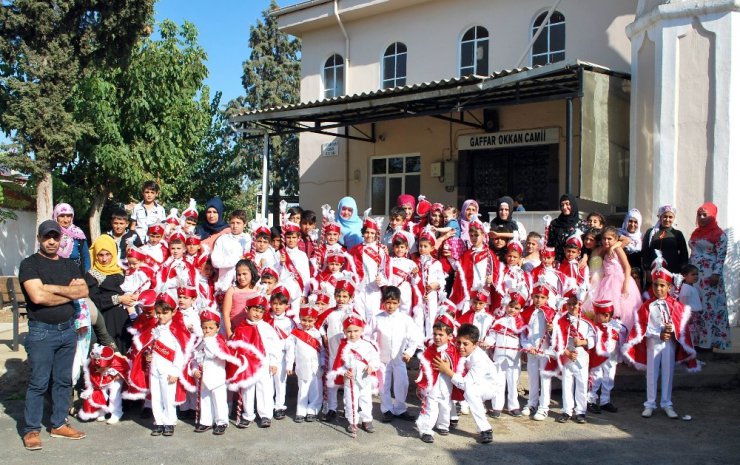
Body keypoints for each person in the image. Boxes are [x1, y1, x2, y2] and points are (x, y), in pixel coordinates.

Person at [19, 220, 90, 450]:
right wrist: (69, 293)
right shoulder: (29, 264)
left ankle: (59, 423)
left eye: (56, 237)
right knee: (39, 382)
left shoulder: (70, 265)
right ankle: (31, 430)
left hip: (67, 329)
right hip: (42, 332)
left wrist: (50, 287)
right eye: (47, 237)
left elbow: (84, 291)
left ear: (61, 239)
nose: (52, 241)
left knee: (63, 381)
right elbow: (38, 298)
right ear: (39, 239)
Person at [622, 266, 699, 419]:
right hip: (653, 343)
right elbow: (642, 327)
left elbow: (683, 327)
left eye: (662, 285)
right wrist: (659, 333)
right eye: (655, 285)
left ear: (669, 287)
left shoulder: (675, 305)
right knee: (652, 373)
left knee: (668, 373)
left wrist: (673, 329)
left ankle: (666, 403)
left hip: (669, 344)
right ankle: (650, 403)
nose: (658, 288)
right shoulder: (647, 305)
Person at [127, 294, 195, 436]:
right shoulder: (153, 328)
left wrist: (176, 371)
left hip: (168, 370)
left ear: (173, 312)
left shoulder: (175, 330)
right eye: (158, 313)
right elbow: (147, 346)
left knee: (168, 397)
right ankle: (158, 422)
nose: (161, 316)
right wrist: (147, 355)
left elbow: (180, 353)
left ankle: (169, 422)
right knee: (156, 397)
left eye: (165, 313)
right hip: (154, 368)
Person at [435, 323, 495, 444]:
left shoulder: (479, 360)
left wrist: (447, 370)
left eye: (465, 344)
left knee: (470, 391)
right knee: (448, 380)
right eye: (459, 342)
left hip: (488, 387)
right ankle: (451, 417)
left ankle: (485, 429)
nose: (460, 347)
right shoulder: (460, 350)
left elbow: (465, 385)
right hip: (470, 381)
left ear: (475, 345)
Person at [228, 294, 280, 429]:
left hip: (264, 363)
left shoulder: (267, 328)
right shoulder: (240, 328)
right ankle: (248, 414)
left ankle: (265, 415)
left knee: (265, 389)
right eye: (255, 310)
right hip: (248, 365)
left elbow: (275, 346)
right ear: (247, 309)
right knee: (247, 389)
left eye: (261, 311)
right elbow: (235, 346)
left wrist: (273, 362)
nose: (258, 314)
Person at [371, 286, 422, 423]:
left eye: (394, 303)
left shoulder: (405, 319)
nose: (391, 306)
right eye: (388, 302)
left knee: (402, 383)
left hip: (399, 358)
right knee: (384, 384)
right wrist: (372, 354)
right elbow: (367, 336)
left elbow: (415, 338)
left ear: (399, 302)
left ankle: (400, 408)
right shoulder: (377, 318)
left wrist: (409, 352)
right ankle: (387, 409)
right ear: (383, 302)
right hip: (382, 358)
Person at [188, 310, 240, 436]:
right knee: (204, 399)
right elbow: (194, 358)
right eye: (204, 327)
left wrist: (208, 342)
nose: (207, 330)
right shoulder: (200, 342)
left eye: (211, 328)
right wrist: (194, 369)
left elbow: (218, 354)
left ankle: (221, 421)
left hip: (217, 378)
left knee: (219, 400)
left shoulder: (218, 342)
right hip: (203, 378)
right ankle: (206, 421)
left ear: (217, 328)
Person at [327, 315, 381, 436]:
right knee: (350, 400)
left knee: (366, 399)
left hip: (364, 379)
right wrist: (343, 372)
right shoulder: (343, 347)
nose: (352, 334)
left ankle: (367, 420)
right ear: (344, 331)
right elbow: (338, 364)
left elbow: (375, 358)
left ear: (361, 330)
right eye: (349, 331)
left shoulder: (367, 345)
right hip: (350, 380)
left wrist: (371, 366)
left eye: (356, 331)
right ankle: (352, 421)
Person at [688, 202, 730, 350]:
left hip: (710, 277)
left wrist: (716, 274)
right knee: (695, 308)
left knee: (708, 308)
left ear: (712, 216)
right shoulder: (696, 232)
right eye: (699, 214)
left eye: (705, 214)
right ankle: (696, 342)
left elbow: (721, 257)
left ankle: (708, 343)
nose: (701, 217)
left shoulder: (719, 235)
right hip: (695, 278)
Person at [86, 235, 137, 353]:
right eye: (100, 255)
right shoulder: (92, 274)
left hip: (126, 318)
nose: (104, 259)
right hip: (107, 320)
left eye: (108, 254)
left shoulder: (121, 270)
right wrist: (118, 299)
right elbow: (95, 299)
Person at [551, 290, 596, 424]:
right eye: (569, 304)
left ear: (580, 304)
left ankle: (581, 411)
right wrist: (567, 353)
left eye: (574, 304)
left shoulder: (586, 322)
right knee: (567, 383)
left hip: (581, 356)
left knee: (582, 383)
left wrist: (583, 342)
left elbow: (593, 339)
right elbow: (556, 340)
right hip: (568, 356)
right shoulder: (561, 321)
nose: (572, 307)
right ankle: (567, 410)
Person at [585, 226, 642, 331]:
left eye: (609, 239)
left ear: (616, 240)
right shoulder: (603, 251)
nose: (606, 241)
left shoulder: (618, 249)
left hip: (620, 281)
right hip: (606, 282)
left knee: (622, 310)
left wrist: (625, 286)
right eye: (604, 238)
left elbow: (627, 268)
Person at [415, 315, 460, 444]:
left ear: (450, 336)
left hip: (446, 384)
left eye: (441, 334)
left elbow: (456, 365)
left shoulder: (453, 350)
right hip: (433, 384)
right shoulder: (430, 350)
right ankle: (426, 430)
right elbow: (424, 366)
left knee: (446, 404)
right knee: (431, 406)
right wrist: (423, 382)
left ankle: (443, 425)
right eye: (435, 334)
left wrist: (448, 366)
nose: (437, 337)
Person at [484, 291, 527, 418]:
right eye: (510, 306)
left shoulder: (522, 324)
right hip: (499, 358)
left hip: (513, 359)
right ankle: (497, 406)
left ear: (520, 309)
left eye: (516, 308)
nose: (512, 310)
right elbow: (492, 337)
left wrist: (528, 347)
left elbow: (524, 340)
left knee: (513, 382)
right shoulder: (499, 321)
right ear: (506, 306)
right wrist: (486, 343)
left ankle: (513, 406)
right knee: (498, 382)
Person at [285, 304, 325, 423]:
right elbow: (290, 350)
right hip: (302, 366)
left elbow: (322, 350)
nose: (306, 323)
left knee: (316, 389)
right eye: (304, 320)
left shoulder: (317, 333)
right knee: (302, 389)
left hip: (316, 366)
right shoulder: (295, 333)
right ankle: (301, 411)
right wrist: (289, 364)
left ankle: (313, 410)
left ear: (315, 320)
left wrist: (323, 363)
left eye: (310, 321)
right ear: (300, 318)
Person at [587, 300, 623, 415]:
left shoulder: (617, 327)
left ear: (607, 315)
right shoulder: (594, 328)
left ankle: (605, 401)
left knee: (609, 379)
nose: (595, 316)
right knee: (595, 378)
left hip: (611, 358)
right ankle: (590, 401)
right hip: (598, 358)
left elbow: (621, 340)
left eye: (598, 314)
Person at [77, 344, 128, 424]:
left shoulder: (117, 361)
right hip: (101, 380)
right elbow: (91, 374)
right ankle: (101, 411)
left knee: (114, 396)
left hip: (115, 380)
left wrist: (118, 375)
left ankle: (116, 413)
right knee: (101, 393)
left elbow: (124, 369)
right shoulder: (92, 362)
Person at [211, 210, 251, 295]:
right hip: (225, 283)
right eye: (232, 223)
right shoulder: (222, 239)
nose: (235, 226)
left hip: (243, 285)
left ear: (244, 224)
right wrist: (236, 259)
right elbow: (215, 261)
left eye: (238, 223)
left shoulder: (248, 239)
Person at [641, 205, 689, 276]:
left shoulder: (677, 234)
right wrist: (647, 269)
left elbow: (684, 253)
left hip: (673, 271)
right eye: (665, 216)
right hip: (654, 271)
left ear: (674, 218)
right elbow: (645, 251)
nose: (667, 219)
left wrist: (683, 269)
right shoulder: (651, 232)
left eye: (670, 217)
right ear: (660, 217)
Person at [222, 259, 260, 338]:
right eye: (239, 274)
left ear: (252, 273)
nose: (241, 277)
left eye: (244, 274)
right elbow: (226, 313)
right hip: (236, 332)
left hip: (254, 332)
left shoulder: (258, 290)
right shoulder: (232, 290)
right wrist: (229, 334)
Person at [53, 203, 91, 274]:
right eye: (62, 216)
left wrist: (86, 275)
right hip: (54, 274)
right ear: (56, 217)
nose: (65, 220)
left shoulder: (78, 234)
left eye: (68, 216)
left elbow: (86, 257)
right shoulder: (51, 233)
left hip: (76, 276)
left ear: (72, 217)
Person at [547, 194, 582, 264]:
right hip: (557, 263)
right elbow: (550, 244)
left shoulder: (582, 225)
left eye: (567, 204)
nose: (564, 207)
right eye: (562, 205)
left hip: (575, 265)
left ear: (573, 204)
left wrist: (585, 257)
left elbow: (587, 246)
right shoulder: (554, 224)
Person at [618, 208, 643, 278]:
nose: (632, 224)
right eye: (630, 221)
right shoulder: (617, 234)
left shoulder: (642, 238)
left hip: (635, 274)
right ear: (626, 221)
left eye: (636, 222)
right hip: (619, 271)